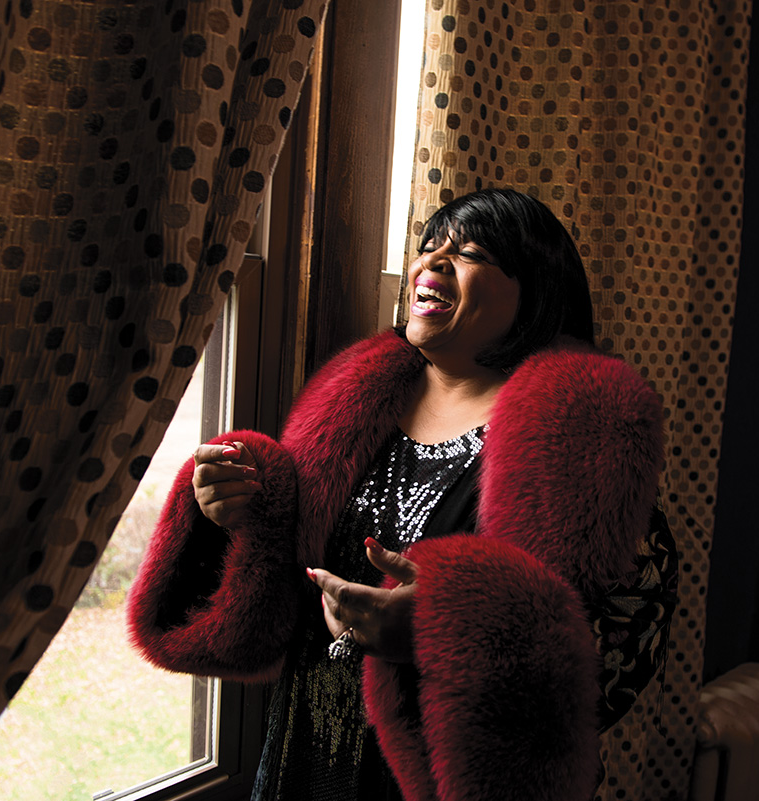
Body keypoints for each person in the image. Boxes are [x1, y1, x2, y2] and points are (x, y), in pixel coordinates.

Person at [127, 189, 674, 801]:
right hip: (303, 748)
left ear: (536, 293)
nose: (432, 262)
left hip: (438, 778)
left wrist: (445, 632)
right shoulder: (351, 407)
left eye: (470, 253)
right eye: (429, 246)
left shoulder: (577, 439)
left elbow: (627, 633)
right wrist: (234, 508)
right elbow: (280, 573)